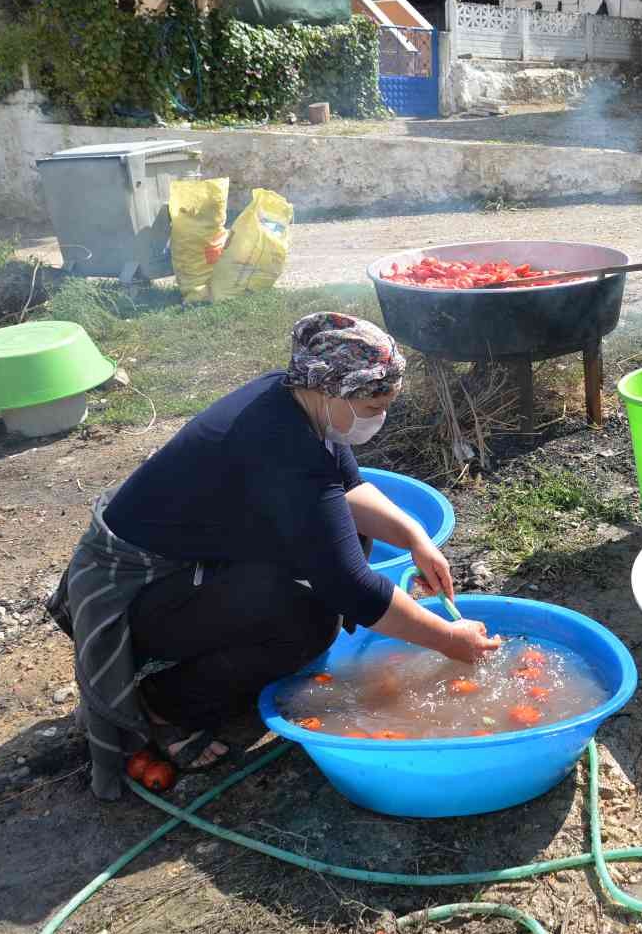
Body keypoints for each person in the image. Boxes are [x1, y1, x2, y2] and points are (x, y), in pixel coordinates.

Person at [48, 312, 500, 799]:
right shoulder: (279, 443)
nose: (380, 417)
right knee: (307, 624)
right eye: (375, 403)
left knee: (329, 570)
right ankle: (163, 704)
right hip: (135, 591)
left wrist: (416, 539)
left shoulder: (300, 401)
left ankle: (208, 674)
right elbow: (353, 586)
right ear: (333, 390)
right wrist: (449, 640)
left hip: (191, 564)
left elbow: (349, 488)